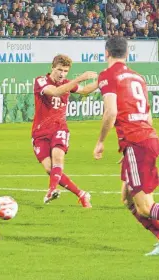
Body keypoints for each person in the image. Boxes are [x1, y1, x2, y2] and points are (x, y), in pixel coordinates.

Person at [94, 36, 159, 256]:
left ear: (106, 53)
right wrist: (128, 150)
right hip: (145, 139)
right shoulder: (138, 77)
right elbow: (148, 116)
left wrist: (101, 142)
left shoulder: (107, 75)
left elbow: (111, 112)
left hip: (136, 140)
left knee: (144, 206)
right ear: (127, 53)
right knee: (128, 199)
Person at [32, 54, 98, 207]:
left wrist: (104, 80)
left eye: (65, 71)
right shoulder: (41, 81)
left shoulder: (68, 83)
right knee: (49, 168)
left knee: (58, 156)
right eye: (59, 70)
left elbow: (86, 90)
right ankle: (82, 194)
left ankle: (51, 190)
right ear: (52, 68)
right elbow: (55, 92)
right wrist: (79, 78)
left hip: (59, 127)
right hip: (40, 132)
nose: (62, 74)